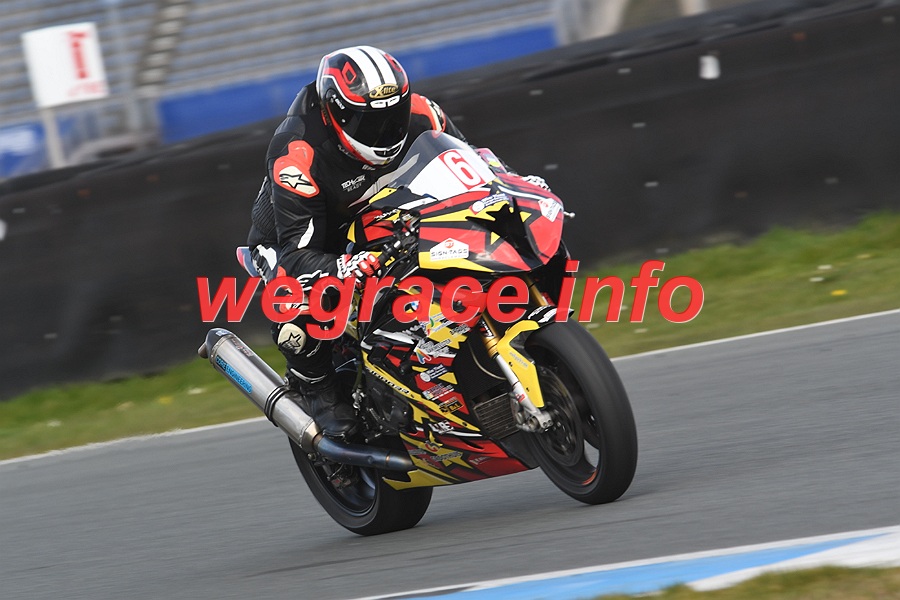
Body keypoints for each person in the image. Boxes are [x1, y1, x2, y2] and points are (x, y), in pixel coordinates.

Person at [247, 45, 548, 440]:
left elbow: (474, 166)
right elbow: (295, 253)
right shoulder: (297, 154)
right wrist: (341, 266)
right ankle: (317, 388)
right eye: (369, 121)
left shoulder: (424, 113)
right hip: (300, 239)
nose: (385, 130)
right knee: (303, 293)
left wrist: (513, 185)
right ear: (337, 113)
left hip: (380, 212)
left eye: (393, 116)